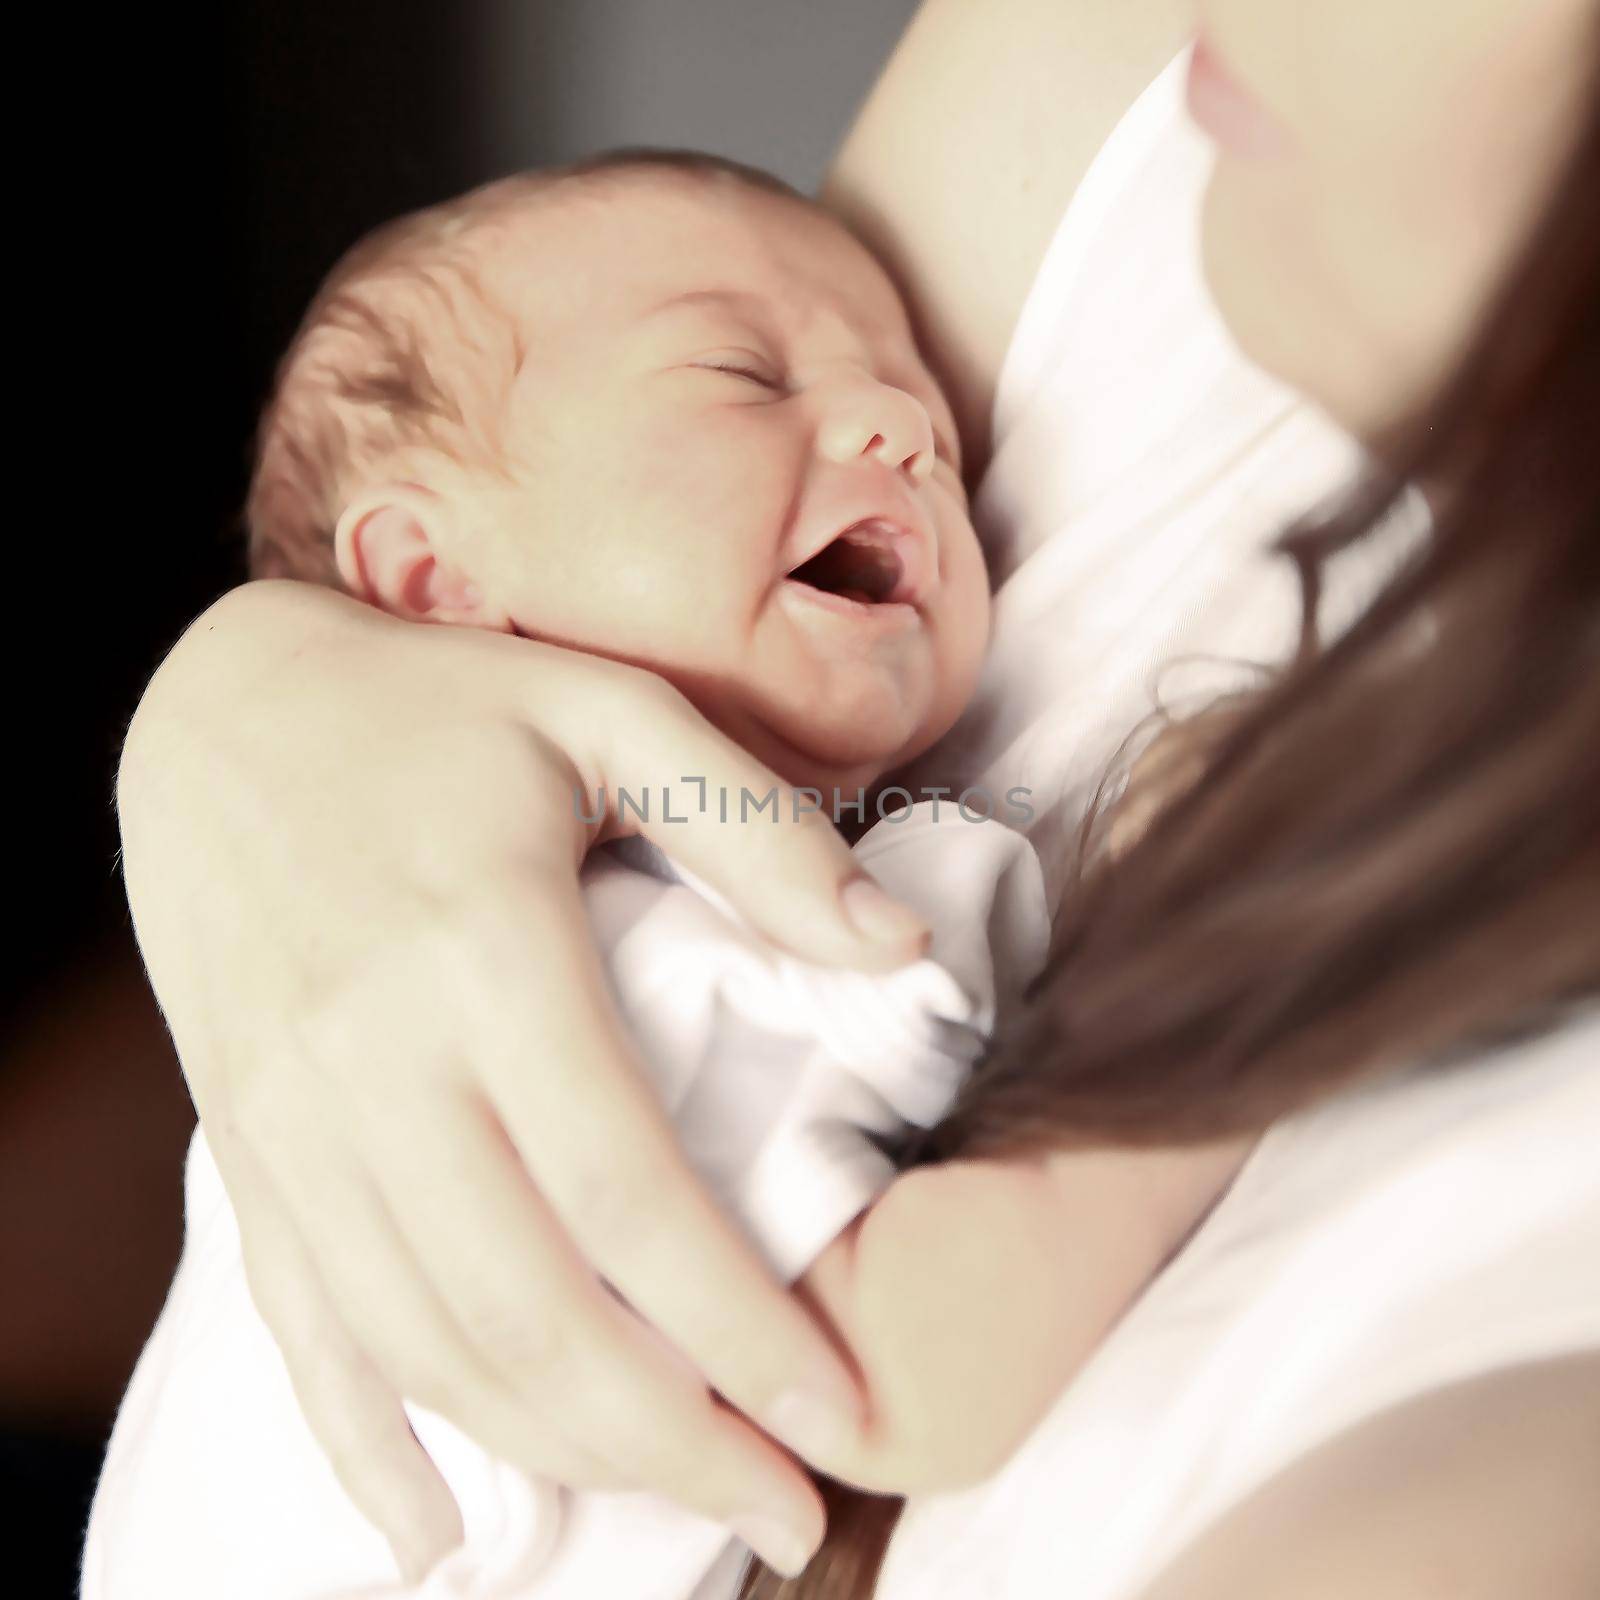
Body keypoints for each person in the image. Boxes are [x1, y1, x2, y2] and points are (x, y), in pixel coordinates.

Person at [105, 1, 1600, 1596]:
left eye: (935, 427)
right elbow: (887, 1369)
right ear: (428, 583)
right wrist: (1247, 961)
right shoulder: (631, 955)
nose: (911, 427)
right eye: (743, 377)